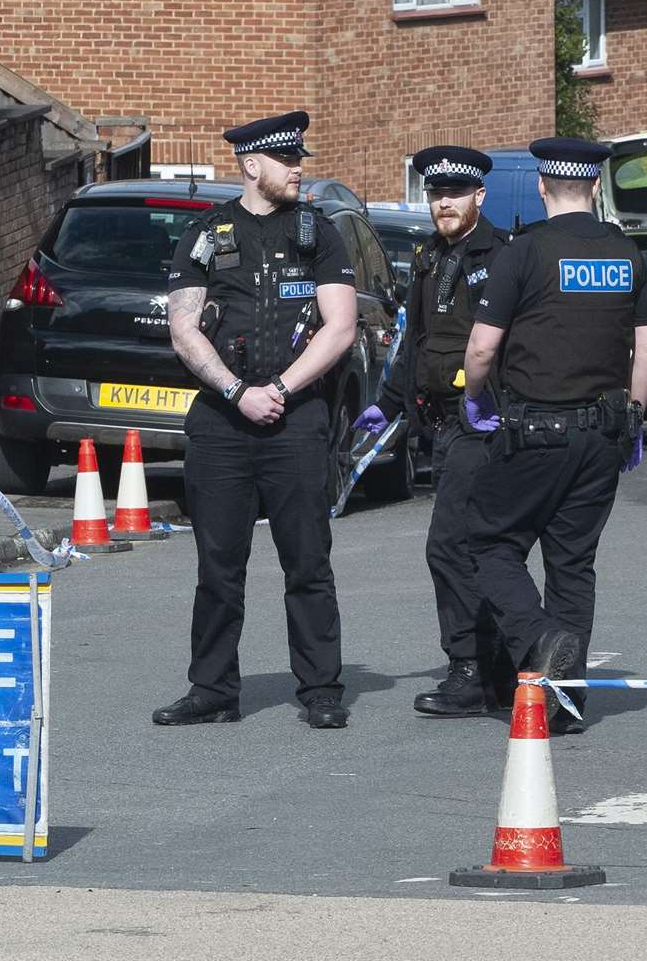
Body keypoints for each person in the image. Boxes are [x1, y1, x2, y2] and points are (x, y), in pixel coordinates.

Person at [155, 111, 358, 730]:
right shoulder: (207, 233)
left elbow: (341, 325)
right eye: (287, 161)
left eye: (299, 159)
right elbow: (184, 330)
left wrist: (281, 388)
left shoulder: (318, 233)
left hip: (297, 423)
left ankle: (321, 688)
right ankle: (212, 688)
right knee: (218, 565)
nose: (299, 169)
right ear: (251, 166)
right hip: (221, 425)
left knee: (308, 560)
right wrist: (237, 391)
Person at [461, 137, 647, 734]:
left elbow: (482, 346)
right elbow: (645, 345)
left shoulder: (524, 252)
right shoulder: (627, 253)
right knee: (573, 565)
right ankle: (566, 703)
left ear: (544, 187)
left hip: (533, 432)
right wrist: (634, 415)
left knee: (487, 544)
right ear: (595, 188)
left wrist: (473, 397)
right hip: (602, 434)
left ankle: (542, 639)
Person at [353, 145, 516, 716]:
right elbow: (417, 342)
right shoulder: (428, 257)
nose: (443, 203)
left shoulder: (501, 256)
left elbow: (508, 344)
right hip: (441, 425)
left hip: (482, 423)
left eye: (454, 194)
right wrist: (389, 402)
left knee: (450, 546)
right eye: (435, 194)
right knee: (476, 547)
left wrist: (493, 402)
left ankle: (469, 669)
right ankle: (496, 670)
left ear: (479, 196)